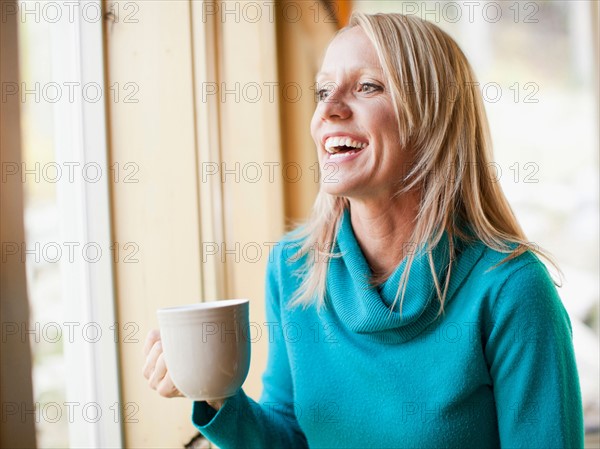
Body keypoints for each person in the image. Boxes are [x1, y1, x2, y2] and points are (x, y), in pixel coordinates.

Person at [143, 12, 584, 448]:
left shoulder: (512, 288)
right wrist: (216, 395)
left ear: (431, 120)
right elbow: (292, 436)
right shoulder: (294, 266)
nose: (328, 110)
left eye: (367, 86)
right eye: (322, 90)